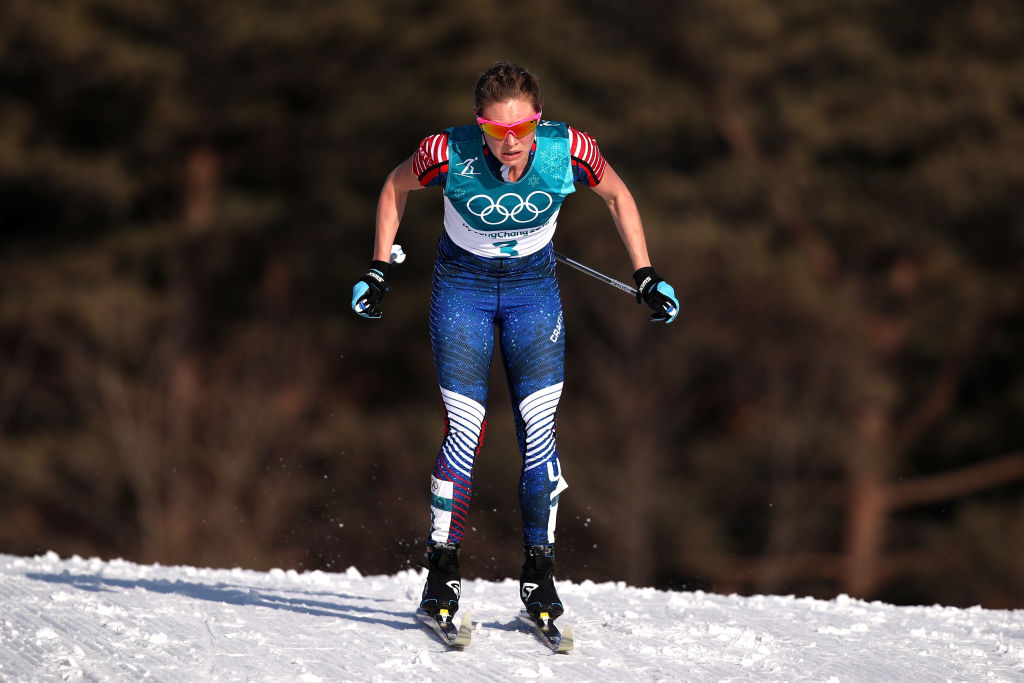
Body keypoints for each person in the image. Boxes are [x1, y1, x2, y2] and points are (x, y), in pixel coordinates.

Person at [351, 61, 678, 625]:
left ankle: (539, 572)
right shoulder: (443, 153)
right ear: (479, 124)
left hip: (533, 291)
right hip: (463, 290)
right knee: (465, 428)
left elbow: (618, 196)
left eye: (522, 130)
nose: (510, 142)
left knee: (539, 428)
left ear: (538, 122)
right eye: (497, 130)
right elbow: (392, 187)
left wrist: (645, 273)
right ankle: (442, 571)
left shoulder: (569, 150)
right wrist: (379, 268)